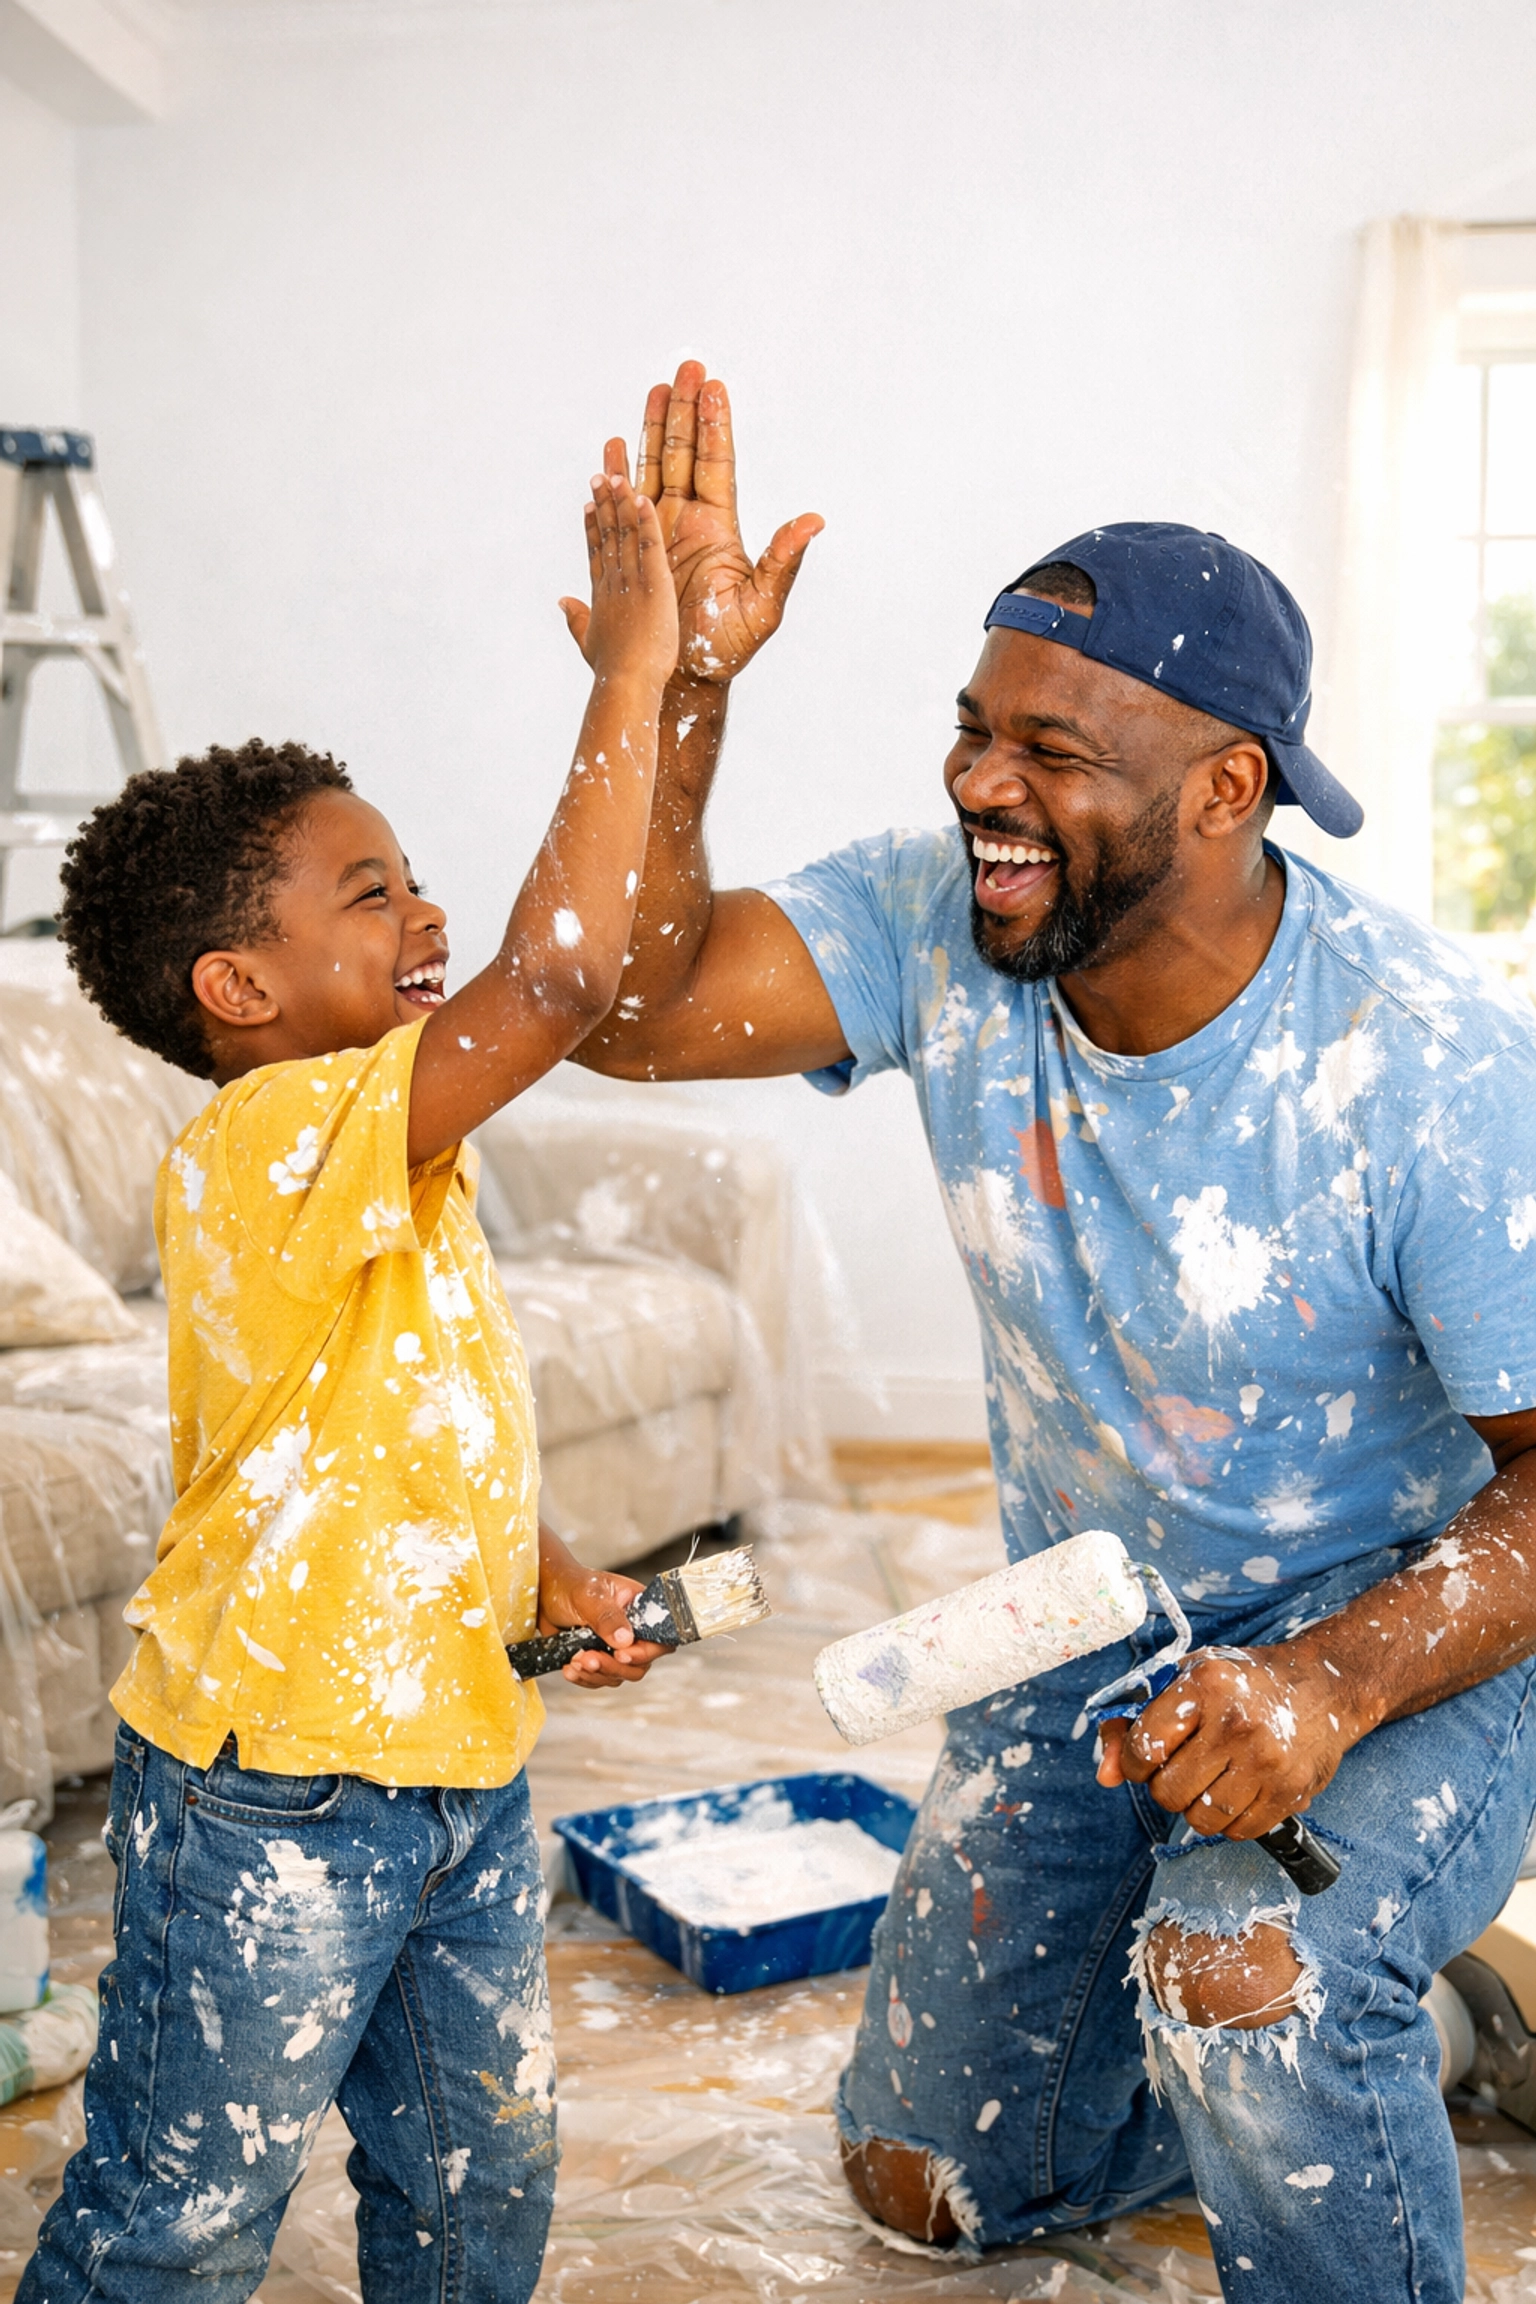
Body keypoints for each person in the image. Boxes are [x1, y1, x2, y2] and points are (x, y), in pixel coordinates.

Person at [572, 363, 1536, 2304]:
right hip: (1090, 1629)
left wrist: (1330, 1692)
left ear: (1224, 789)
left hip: (1413, 1640)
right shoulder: (942, 925)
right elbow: (629, 1012)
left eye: (1054, 754)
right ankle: (1440, 2030)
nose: (980, 785)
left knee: (1237, 1977)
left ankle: (1348, 2004)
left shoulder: (1426, 1068)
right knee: (925, 2182)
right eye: (973, 732)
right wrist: (679, 691)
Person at [19, 459, 679, 2304]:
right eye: (367, 895)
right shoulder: (274, 1139)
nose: (423, 917)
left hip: (463, 1758)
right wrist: (631, 673)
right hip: (271, 1791)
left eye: (408, 884)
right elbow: (554, 986)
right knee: (182, 2207)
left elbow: (414, 1424)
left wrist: (545, 1573)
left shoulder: (390, 1152)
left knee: (479, 2186)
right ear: (239, 988)